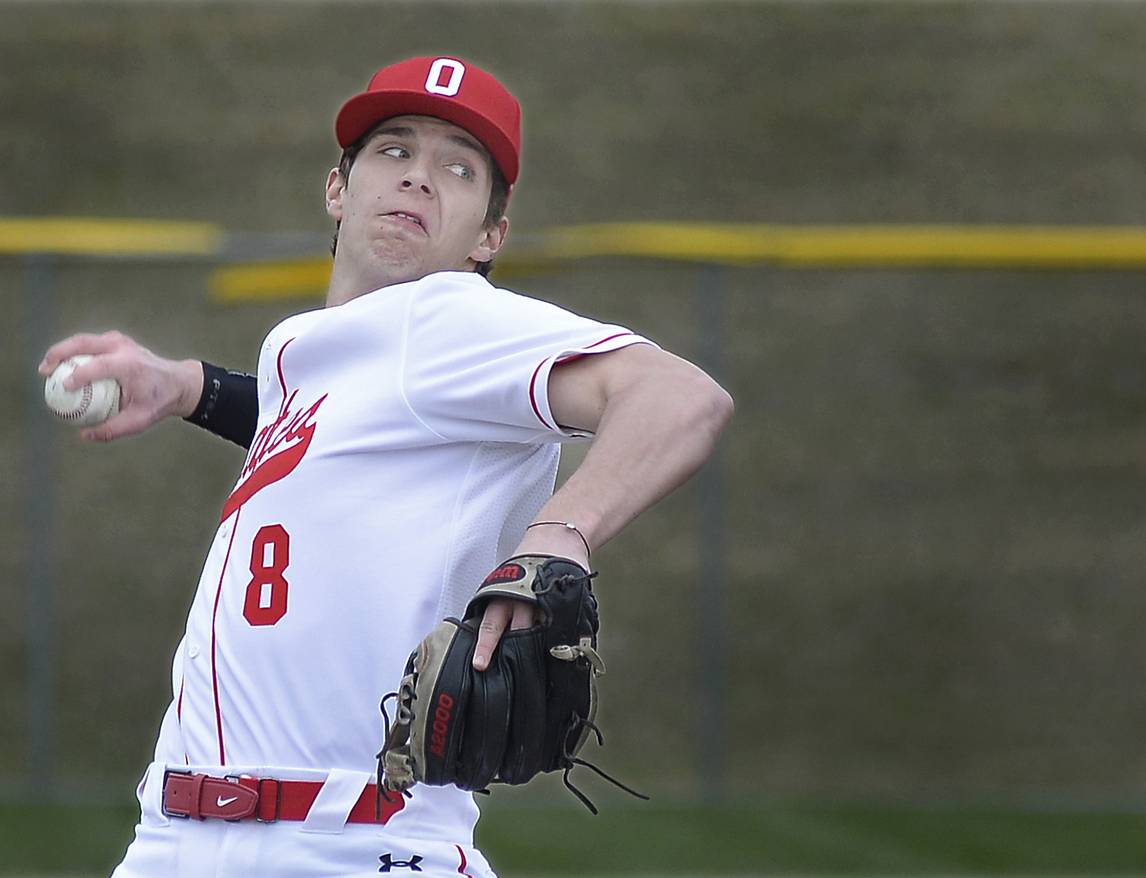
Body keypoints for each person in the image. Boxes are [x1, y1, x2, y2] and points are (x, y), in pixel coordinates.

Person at [39, 55, 733, 878]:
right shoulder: (322, 357)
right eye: (394, 151)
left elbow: (680, 398)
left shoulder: (448, 319)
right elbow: (335, 431)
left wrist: (556, 538)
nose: (419, 178)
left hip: (350, 844)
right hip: (176, 838)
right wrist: (188, 387)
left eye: (458, 167)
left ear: (488, 238)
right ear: (338, 189)